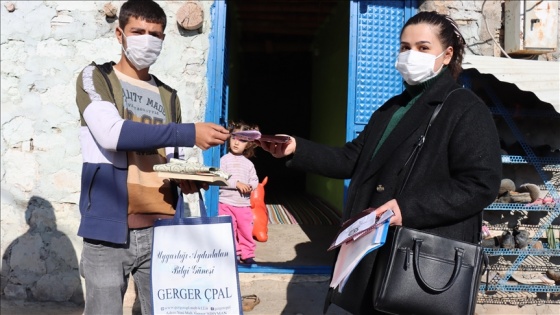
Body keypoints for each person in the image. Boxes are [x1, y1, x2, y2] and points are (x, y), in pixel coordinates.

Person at [259, 11, 502, 314]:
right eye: (405, 47)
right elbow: (351, 159)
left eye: (423, 48)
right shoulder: (391, 109)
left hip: (419, 259)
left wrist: (407, 208)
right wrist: (296, 149)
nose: (410, 55)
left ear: (447, 54)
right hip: (372, 250)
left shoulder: (465, 109)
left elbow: (480, 184)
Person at [74, 1, 229, 314]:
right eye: (138, 31)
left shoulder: (168, 95)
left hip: (163, 228)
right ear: (120, 33)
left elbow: (172, 159)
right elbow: (111, 134)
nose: (147, 40)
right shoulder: (96, 78)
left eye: (155, 34)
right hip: (108, 231)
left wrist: (189, 179)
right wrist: (188, 132)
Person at [219, 121, 260, 265]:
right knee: (230, 229)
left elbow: (255, 180)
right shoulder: (223, 160)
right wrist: (236, 183)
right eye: (234, 138)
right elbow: (220, 177)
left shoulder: (249, 164)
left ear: (248, 144)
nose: (236, 143)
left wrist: (250, 186)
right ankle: (234, 253)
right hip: (226, 203)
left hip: (243, 205)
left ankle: (247, 254)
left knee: (245, 230)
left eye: (242, 140)